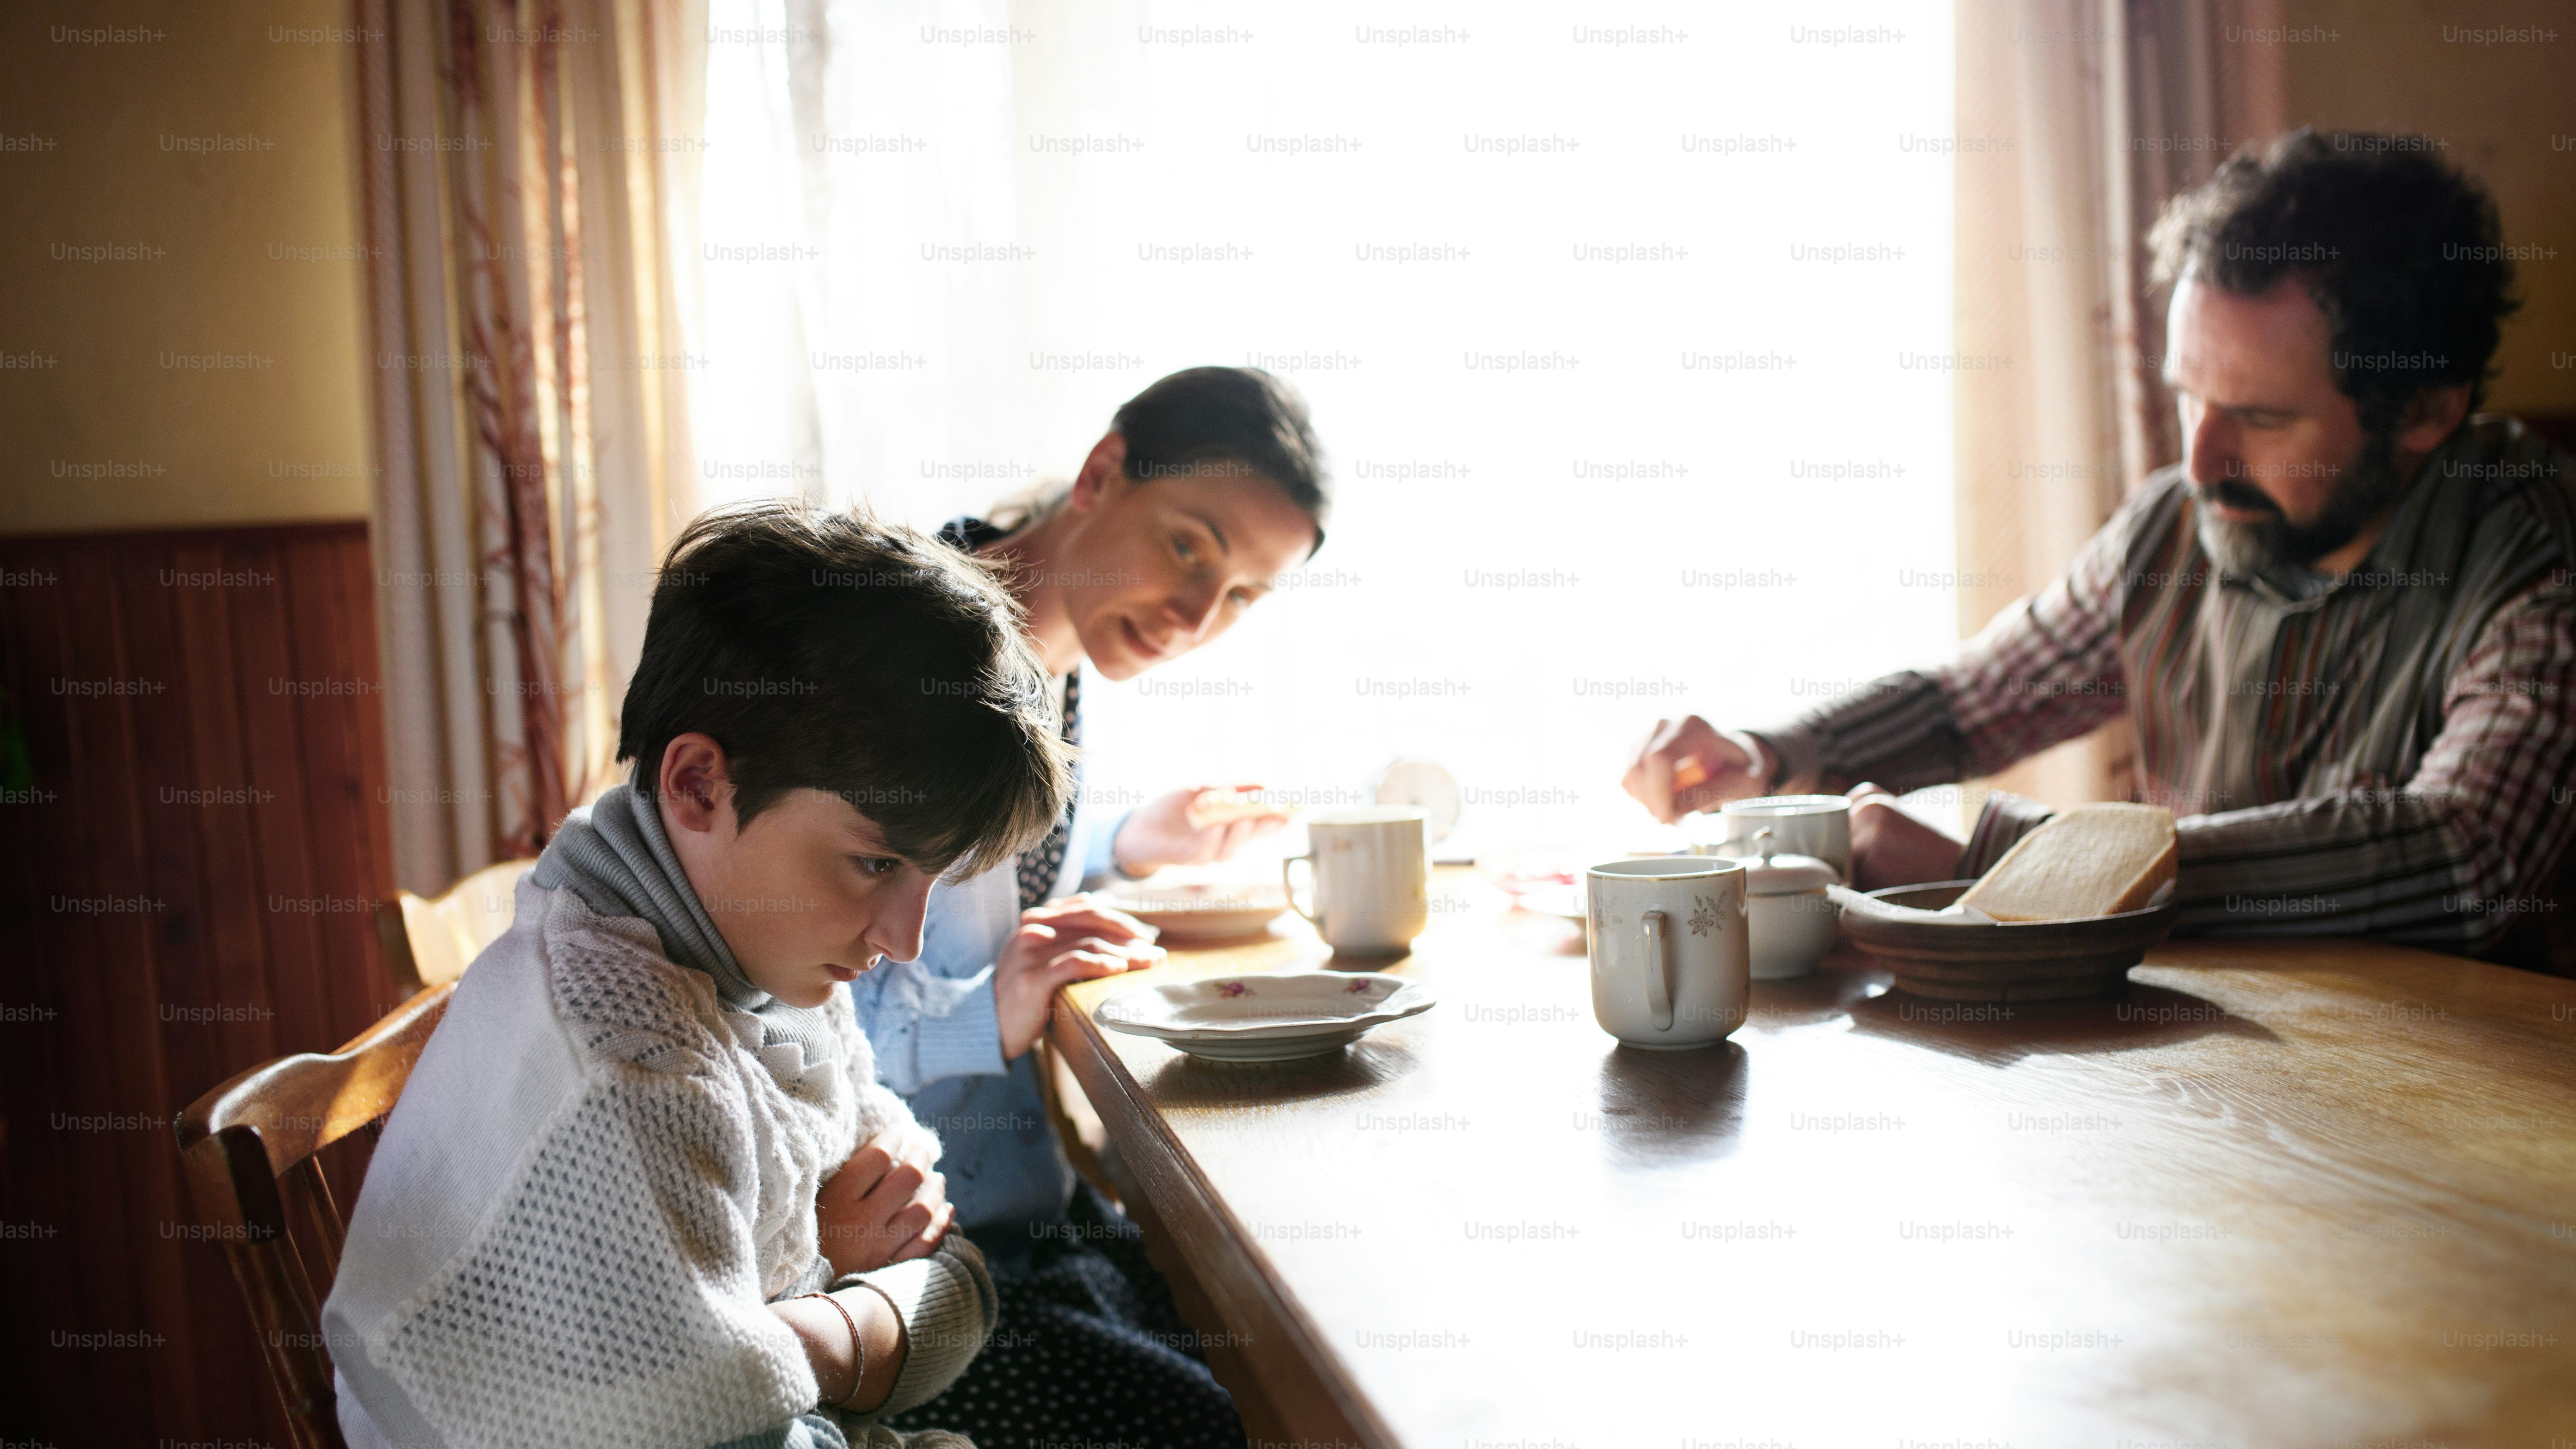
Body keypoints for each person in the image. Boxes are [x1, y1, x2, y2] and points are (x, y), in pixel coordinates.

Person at [1624, 129, 2576, 973]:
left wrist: (2019, 865)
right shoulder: (2173, 528)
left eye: (2261, 417)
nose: (2199, 461)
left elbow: (2464, 857)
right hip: (2216, 1074)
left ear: (2426, 409)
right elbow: (1977, 701)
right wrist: (1774, 758)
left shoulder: (2543, 563)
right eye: (2189, 398)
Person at [323, 502, 1077, 1449]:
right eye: (877, 863)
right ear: (697, 785)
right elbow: (766, 1409)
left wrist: (792, 1328)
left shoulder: (766, 961)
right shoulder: (629, 1072)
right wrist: (834, 1300)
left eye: (932, 880)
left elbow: (958, 1285)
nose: (906, 939)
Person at [861, 366, 1328, 1447]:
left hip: (1024, 1213)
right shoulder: (909, 669)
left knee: (1269, 1357)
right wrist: (989, 1012)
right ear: (1102, 472)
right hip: (899, 1275)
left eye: (1241, 596)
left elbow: (973, 881)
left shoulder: (1047, 654)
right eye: (1190, 547)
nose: (1197, 618)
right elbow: (780, 1029)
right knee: (1234, 1413)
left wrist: (1122, 839)